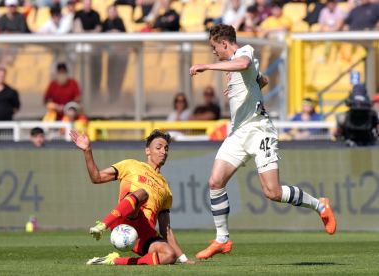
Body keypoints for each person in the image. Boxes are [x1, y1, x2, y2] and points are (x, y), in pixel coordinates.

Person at [189, 24, 337, 260]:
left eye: (214, 48)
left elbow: (245, 64)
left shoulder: (244, 52)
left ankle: (320, 206)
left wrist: (207, 67)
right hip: (237, 133)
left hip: (259, 131)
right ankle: (222, 239)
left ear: (225, 44)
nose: (214, 53)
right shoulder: (236, 67)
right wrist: (247, 84)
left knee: (273, 192)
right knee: (215, 182)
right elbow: (261, 79)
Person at [70, 129, 195, 265]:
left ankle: (113, 260)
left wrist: (183, 259)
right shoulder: (131, 165)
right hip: (125, 220)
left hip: (143, 233)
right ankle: (103, 225)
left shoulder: (166, 189)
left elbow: (166, 229)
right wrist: (87, 150)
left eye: (166, 148)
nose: (163, 152)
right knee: (142, 193)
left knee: (169, 255)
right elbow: (96, 177)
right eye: (158, 147)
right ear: (147, 151)